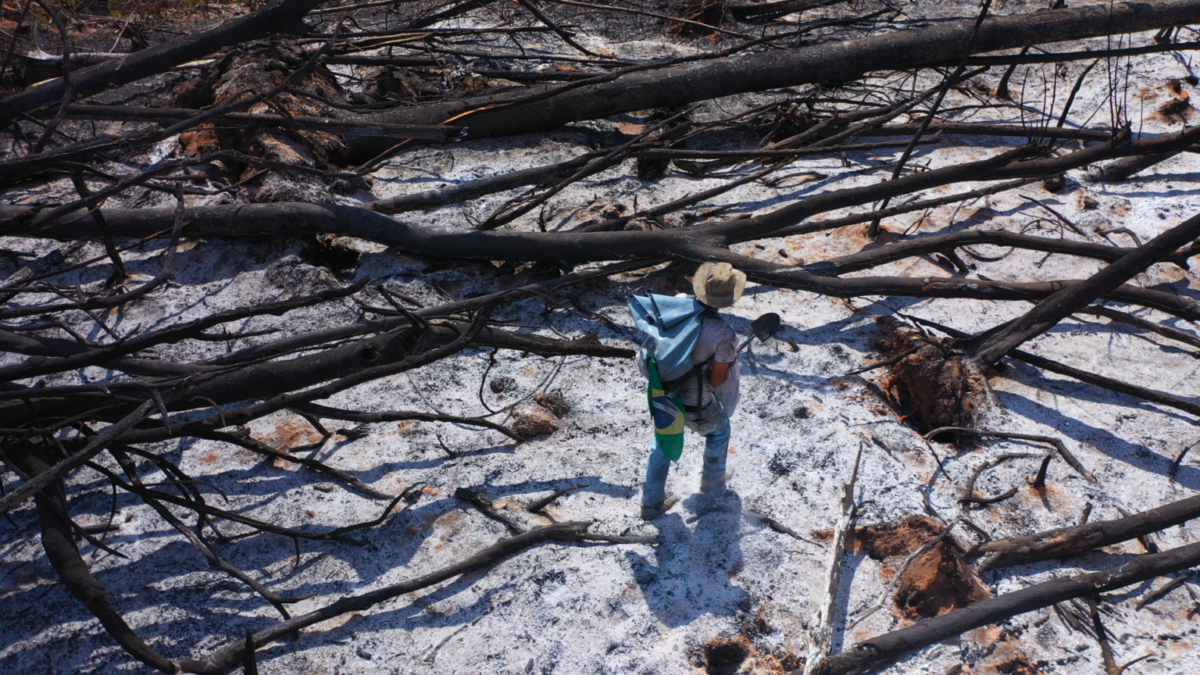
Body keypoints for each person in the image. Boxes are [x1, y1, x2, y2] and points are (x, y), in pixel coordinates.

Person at [641, 262, 745, 520]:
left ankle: (650, 505)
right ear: (727, 300)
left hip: (663, 394)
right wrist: (727, 360)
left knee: (662, 445)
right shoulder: (723, 333)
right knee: (720, 431)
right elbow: (718, 381)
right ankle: (712, 486)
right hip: (695, 404)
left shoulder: (676, 305)